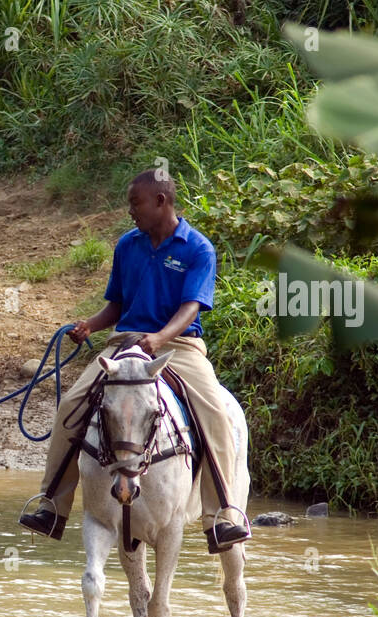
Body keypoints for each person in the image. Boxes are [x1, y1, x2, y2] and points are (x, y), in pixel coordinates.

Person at [19, 169, 251, 552]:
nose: (130, 211)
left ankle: (222, 515)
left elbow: (192, 306)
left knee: (216, 414)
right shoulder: (128, 245)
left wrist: (160, 338)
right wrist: (90, 325)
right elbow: (117, 304)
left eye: (135, 203)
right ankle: (51, 504)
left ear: (161, 201)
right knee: (71, 405)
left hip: (181, 348)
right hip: (124, 342)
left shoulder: (197, 248)